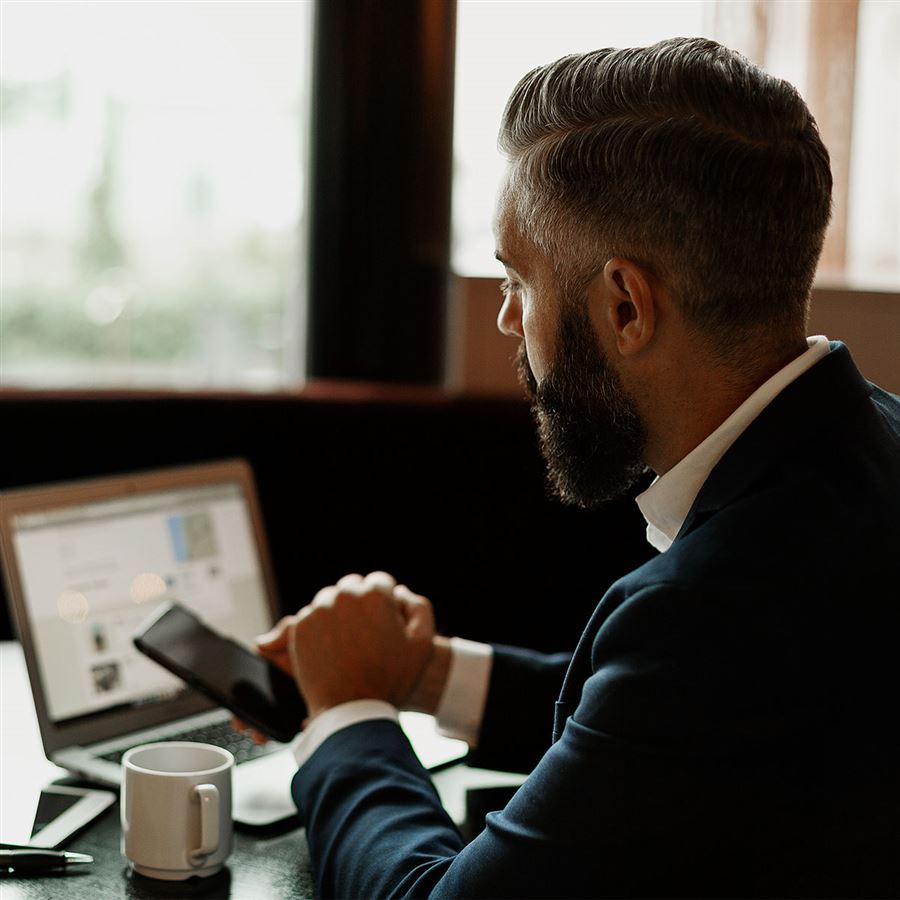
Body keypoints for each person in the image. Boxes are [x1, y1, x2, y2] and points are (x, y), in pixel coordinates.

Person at [253, 38, 900, 897]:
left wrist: (347, 719)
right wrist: (428, 676)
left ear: (625, 305)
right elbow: (670, 727)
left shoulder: (711, 611)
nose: (506, 320)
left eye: (517, 279)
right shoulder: (869, 441)